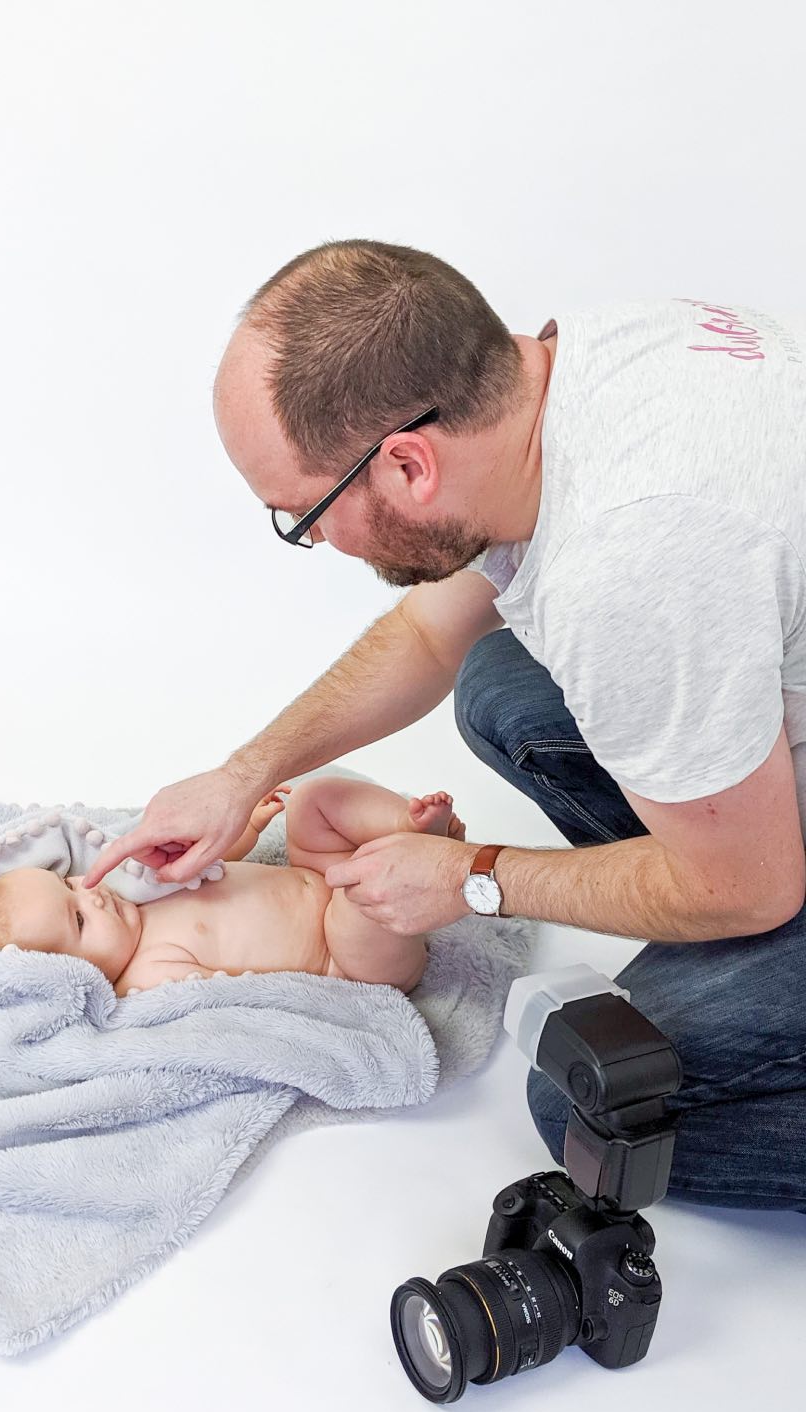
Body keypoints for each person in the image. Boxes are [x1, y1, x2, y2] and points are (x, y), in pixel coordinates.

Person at [84, 239, 806, 1214]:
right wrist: (246, 772)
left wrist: (475, 879)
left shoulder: (628, 568)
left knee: (591, 1105)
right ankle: (712, 872)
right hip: (722, 659)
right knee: (498, 683)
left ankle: (720, 905)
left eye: (302, 518)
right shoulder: (578, 367)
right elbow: (429, 635)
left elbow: (751, 887)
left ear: (409, 463)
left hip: (756, 858)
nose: (318, 545)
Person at [0, 778, 466, 997]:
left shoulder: (134, 889)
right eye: (79, 920)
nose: (92, 896)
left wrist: (249, 829)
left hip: (316, 872)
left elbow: (209, 861)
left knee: (313, 799)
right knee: (364, 890)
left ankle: (407, 824)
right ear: (74, 978)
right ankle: (415, 858)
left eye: (69, 885)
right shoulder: (146, 977)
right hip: (348, 954)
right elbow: (221, 1004)